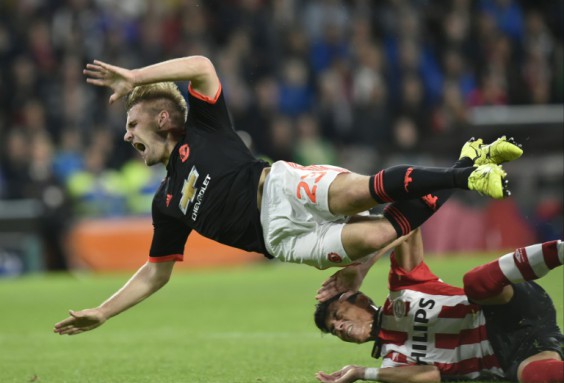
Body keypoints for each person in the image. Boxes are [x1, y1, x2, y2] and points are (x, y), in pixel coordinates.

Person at [53, 55, 522, 336]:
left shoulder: (204, 126)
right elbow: (155, 274)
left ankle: (464, 178)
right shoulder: (166, 202)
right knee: (377, 236)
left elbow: (201, 66)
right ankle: (465, 165)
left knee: (358, 193)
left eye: (131, 124)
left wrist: (135, 76)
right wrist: (103, 312)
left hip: (278, 186)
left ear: (161, 120)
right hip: (279, 242)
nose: (125, 136)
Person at [313, 228, 564, 383]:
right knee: (533, 376)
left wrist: (362, 266)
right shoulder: (393, 361)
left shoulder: (403, 288)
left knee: (474, 283)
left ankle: (559, 251)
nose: (339, 327)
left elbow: (407, 226)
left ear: (361, 299)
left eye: (337, 315)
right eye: (334, 330)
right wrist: (360, 372)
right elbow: (429, 375)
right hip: (511, 356)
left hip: (505, 307)